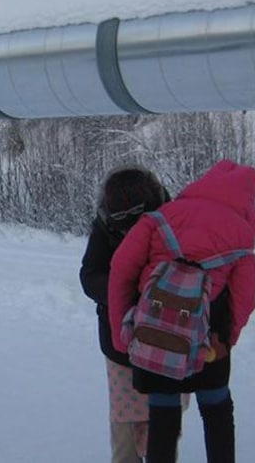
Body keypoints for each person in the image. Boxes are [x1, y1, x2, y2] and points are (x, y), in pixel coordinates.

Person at [108, 160, 255, 463]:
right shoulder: (242, 237)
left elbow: (121, 270)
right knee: (217, 410)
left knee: (163, 412)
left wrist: (121, 332)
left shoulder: (161, 217)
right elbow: (244, 300)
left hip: (157, 328)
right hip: (210, 332)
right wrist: (226, 341)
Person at [80, 165, 169, 463]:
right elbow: (89, 275)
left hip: (168, 341)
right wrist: (124, 288)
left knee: (164, 423)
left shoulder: (172, 218)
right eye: (122, 221)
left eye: (137, 219)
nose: (130, 230)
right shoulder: (106, 223)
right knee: (125, 427)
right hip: (121, 343)